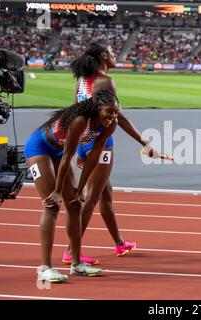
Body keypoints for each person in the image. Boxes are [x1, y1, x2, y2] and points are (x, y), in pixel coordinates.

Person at [62, 42, 159, 264]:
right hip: (100, 141)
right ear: (104, 56)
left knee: (105, 193)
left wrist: (78, 146)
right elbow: (118, 117)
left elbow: (76, 111)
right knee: (92, 196)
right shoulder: (106, 81)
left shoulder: (82, 80)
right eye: (113, 53)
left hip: (83, 140)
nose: (115, 56)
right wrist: (144, 142)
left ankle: (119, 242)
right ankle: (71, 249)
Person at [24, 90, 119, 282]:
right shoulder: (80, 121)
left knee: (75, 204)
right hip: (39, 149)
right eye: (109, 111)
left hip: (59, 153)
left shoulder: (110, 125)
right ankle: (45, 268)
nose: (113, 116)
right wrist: (58, 191)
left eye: (116, 112)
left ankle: (77, 265)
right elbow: (68, 157)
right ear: (97, 108)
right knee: (52, 205)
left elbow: (93, 157)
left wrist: (80, 188)